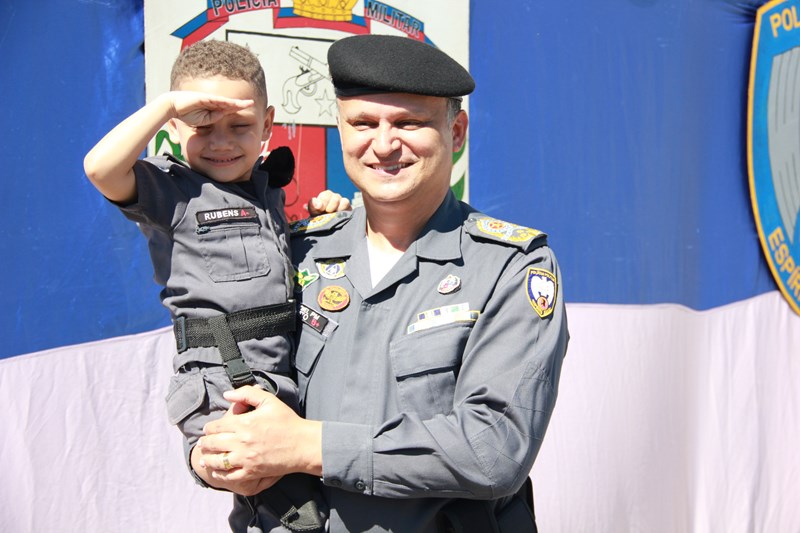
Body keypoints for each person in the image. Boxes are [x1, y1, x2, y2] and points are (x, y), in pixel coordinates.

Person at [191, 34, 569, 532]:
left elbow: (493, 448)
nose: (385, 143)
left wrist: (308, 446)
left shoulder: (509, 267)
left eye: (409, 123)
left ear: (456, 131)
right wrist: (208, 454)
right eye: (363, 123)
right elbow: (219, 364)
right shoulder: (295, 251)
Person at [83, 39, 349, 532]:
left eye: (240, 126)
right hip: (223, 383)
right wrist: (166, 104)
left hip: (283, 376)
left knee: (314, 506)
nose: (221, 141)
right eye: (202, 124)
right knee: (284, 511)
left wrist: (316, 222)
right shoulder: (173, 192)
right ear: (175, 127)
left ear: (268, 124)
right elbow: (100, 169)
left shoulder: (267, 192)